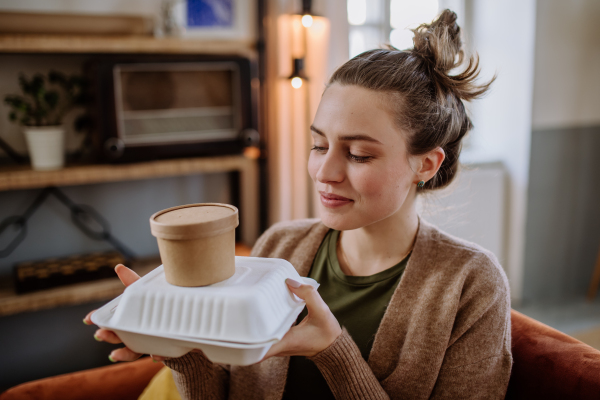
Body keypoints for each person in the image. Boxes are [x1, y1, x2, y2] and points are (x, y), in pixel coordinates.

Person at [85, 9, 512, 399]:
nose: (325, 171)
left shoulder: (470, 286)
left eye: (359, 154)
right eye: (318, 144)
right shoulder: (278, 248)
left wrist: (332, 351)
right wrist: (180, 350)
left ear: (425, 163)